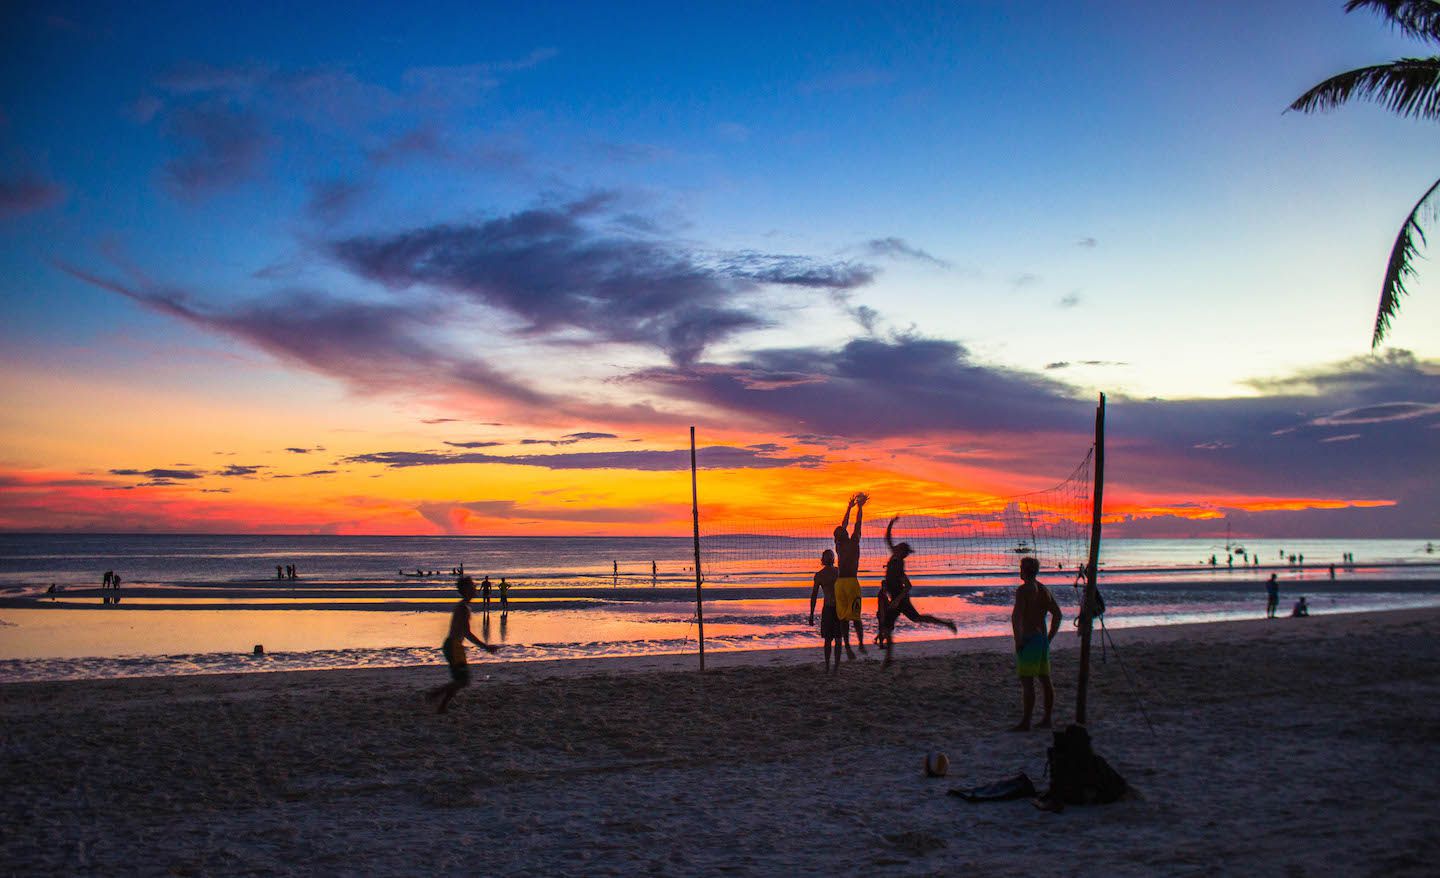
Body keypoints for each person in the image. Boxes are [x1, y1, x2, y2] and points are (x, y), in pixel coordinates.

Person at [879, 516, 956, 667]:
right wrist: (891, 523)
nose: (903, 552)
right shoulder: (895, 556)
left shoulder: (899, 563)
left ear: (902, 553)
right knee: (887, 626)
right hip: (894, 598)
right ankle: (888, 658)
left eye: (904, 552)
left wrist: (896, 600)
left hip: (900, 599)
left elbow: (908, 586)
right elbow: (887, 539)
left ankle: (947, 623)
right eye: (903, 550)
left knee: (916, 619)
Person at [425, 576, 499, 713]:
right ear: (466, 590)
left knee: (461, 680)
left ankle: (441, 706)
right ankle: (435, 694)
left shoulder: (463, 607)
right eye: (472, 587)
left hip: (454, 646)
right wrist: (486, 647)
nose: (475, 589)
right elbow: (467, 633)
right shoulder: (463, 608)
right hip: (453, 646)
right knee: (462, 680)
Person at [1010, 556, 1061, 731]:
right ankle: (1047, 719)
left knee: (1027, 682)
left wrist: (1018, 640)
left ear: (1024, 571)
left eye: (1021, 567)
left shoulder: (1023, 591)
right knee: (1045, 680)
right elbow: (1058, 614)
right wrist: (1049, 637)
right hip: (1041, 640)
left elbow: (1016, 617)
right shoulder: (1043, 589)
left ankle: (1026, 722)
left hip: (1029, 639)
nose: (1019, 570)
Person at [832, 493, 869, 659]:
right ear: (839, 536)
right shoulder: (844, 543)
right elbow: (851, 524)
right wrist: (855, 508)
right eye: (841, 531)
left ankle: (859, 644)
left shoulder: (848, 542)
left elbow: (854, 524)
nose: (843, 530)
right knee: (846, 618)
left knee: (853, 616)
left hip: (848, 582)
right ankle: (848, 646)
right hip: (845, 583)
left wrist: (853, 508)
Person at [807, 549, 846, 674]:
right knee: (836, 639)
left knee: (830, 639)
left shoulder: (821, 575)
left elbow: (814, 596)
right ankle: (833, 667)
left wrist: (812, 614)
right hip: (836, 609)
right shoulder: (838, 572)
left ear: (823, 560)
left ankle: (830, 666)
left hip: (831, 608)